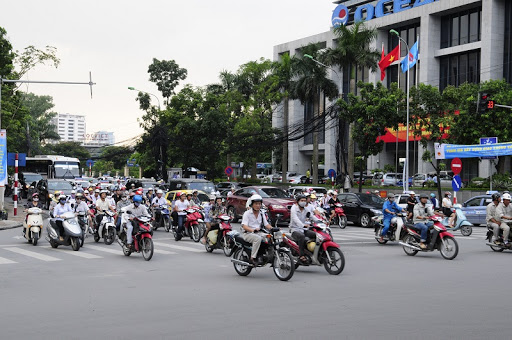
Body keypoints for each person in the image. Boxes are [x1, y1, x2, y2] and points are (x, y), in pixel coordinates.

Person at [241, 194, 272, 266]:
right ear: (252, 204)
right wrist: (252, 230)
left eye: (259, 204)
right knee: (258, 238)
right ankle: (252, 258)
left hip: (259, 232)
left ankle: (263, 255)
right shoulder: (247, 213)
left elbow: (266, 224)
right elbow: (244, 226)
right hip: (248, 233)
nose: (258, 205)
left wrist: (273, 228)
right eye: (256, 204)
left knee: (270, 237)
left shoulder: (261, 213)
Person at [290, 195, 317, 263]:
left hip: (303, 229)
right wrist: (303, 225)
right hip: (294, 229)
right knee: (301, 237)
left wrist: (321, 221)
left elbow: (312, 216)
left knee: (315, 235)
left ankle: (312, 251)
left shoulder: (306, 209)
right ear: (297, 201)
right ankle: (301, 255)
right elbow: (295, 219)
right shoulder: (294, 208)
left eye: (304, 201)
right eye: (302, 201)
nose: (303, 202)